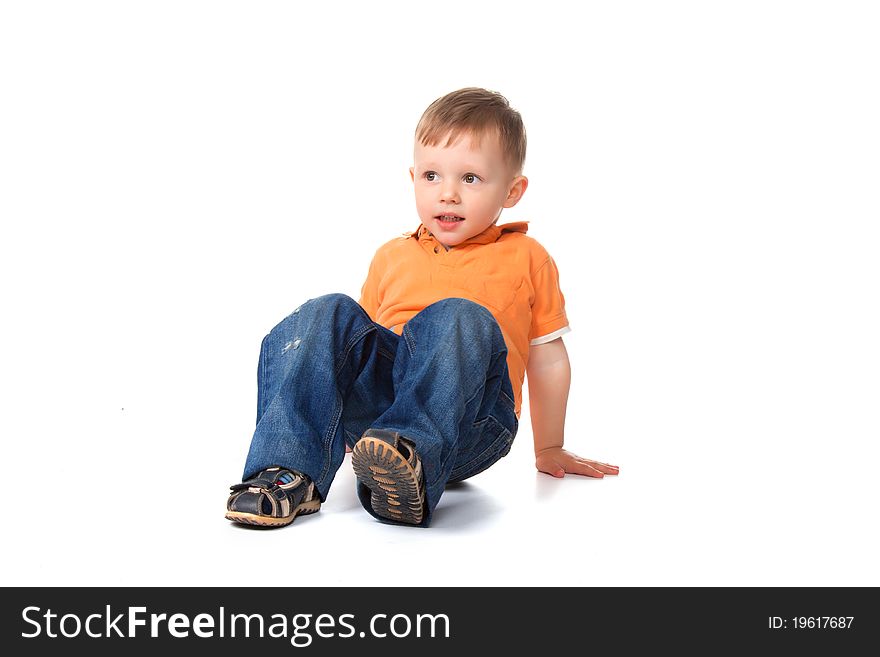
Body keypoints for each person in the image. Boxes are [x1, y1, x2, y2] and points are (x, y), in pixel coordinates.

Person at [225, 87, 619, 529]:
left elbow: (547, 359)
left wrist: (550, 446)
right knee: (327, 311)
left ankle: (409, 451)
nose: (447, 194)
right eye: (432, 176)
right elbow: (356, 348)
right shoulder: (391, 256)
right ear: (412, 177)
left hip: (472, 421)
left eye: (469, 179)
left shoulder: (528, 256)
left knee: (457, 314)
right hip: (381, 414)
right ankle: (284, 473)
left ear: (513, 191)